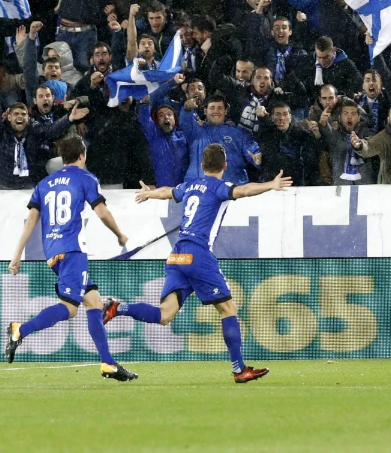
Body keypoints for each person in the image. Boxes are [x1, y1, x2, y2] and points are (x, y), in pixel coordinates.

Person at [104, 143, 290, 383]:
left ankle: (118, 308)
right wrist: (271, 185)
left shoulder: (191, 185)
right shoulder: (220, 187)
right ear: (225, 166)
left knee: (165, 315)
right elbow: (244, 190)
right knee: (228, 310)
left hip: (177, 254)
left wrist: (149, 193)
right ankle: (239, 369)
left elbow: (168, 192)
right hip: (198, 253)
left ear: (201, 166)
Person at [3, 136, 134, 381]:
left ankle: (108, 364)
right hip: (72, 250)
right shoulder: (86, 178)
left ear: (63, 158)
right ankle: (20, 330)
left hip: (53, 252)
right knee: (70, 308)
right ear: (82, 155)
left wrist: (17, 255)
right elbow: (102, 212)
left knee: (93, 302)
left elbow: (31, 221)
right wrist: (119, 234)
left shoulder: (45, 183)